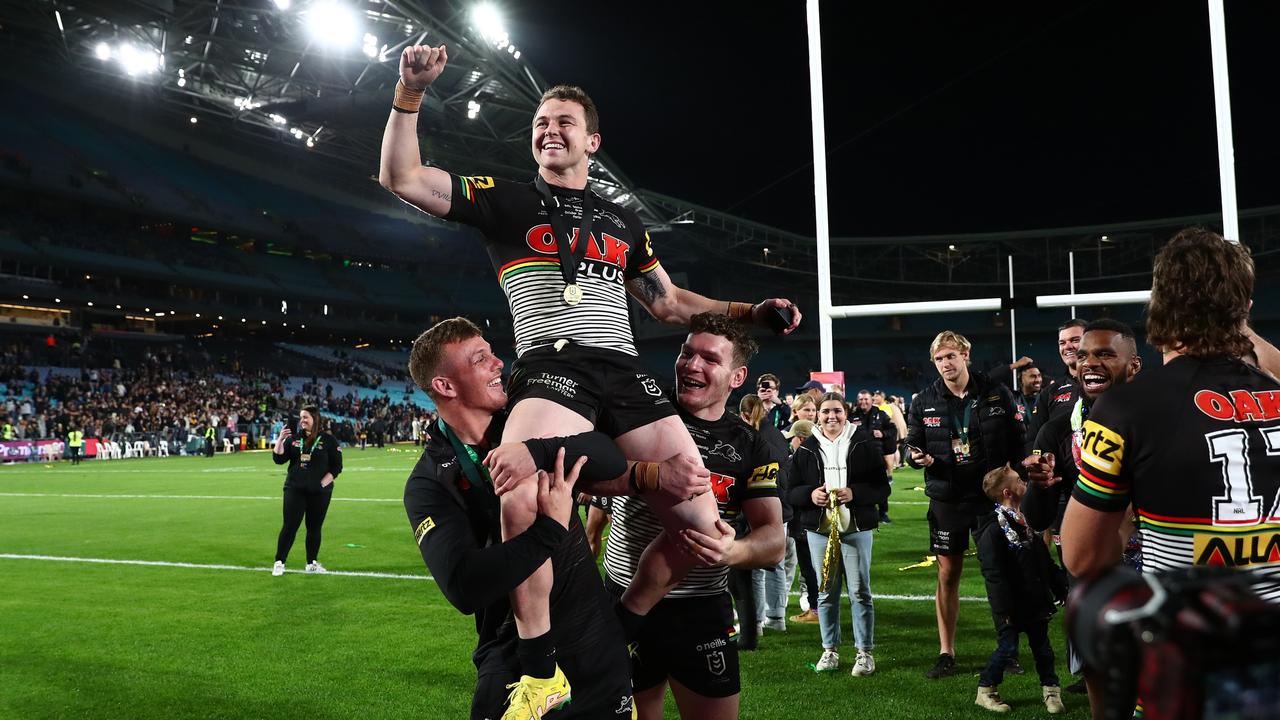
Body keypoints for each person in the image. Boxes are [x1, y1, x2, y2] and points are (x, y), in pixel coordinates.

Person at [380, 45, 800, 712]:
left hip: (626, 372)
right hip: (552, 366)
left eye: (564, 121)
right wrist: (409, 94)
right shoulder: (505, 200)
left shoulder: (625, 223)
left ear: (592, 140)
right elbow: (403, 177)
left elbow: (665, 303)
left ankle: (623, 623)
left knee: (701, 524)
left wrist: (749, 310)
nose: (549, 130)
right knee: (517, 482)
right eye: (541, 122)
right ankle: (540, 669)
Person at [1060, 229, 1280, 715]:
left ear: (1159, 304)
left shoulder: (1125, 409)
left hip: (1189, 651)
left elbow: (1082, 556)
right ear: (1243, 306)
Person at [404, 317, 666, 720]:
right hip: (516, 660)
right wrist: (549, 531)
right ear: (445, 386)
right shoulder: (430, 482)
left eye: (493, 353)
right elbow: (465, 586)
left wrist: (537, 451)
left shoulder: (529, 419)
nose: (498, 364)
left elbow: (608, 456)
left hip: (595, 645)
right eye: (480, 359)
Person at [603, 312, 784, 719]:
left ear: (737, 378)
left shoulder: (752, 446)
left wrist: (731, 552)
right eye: (687, 353)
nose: (692, 365)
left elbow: (773, 538)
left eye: (709, 359)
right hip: (625, 595)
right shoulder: (641, 413)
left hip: (701, 610)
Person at [907, 331, 1025, 679]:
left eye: (951, 356)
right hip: (948, 498)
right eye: (940, 359)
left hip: (991, 499)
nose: (946, 364)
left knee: (1000, 573)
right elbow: (912, 442)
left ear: (966, 355)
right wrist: (917, 457)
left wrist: (1017, 484)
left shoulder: (996, 392)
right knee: (947, 573)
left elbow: (1020, 440)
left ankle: (1008, 649)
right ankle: (947, 652)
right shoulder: (923, 399)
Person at [789, 392, 890, 677]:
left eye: (837, 411)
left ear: (846, 413)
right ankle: (829, 650)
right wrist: (811, 495)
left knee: (860, 592)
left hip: (856, 529)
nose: (831, 417)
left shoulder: (864, 443)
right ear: (817, 416)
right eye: (825, 412)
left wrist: (854, 493)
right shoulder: (806, 448)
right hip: (820, 531)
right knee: (825, 594)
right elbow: (790, 491)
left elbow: (882, 488)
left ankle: (864, 653)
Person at [973, 464, 1066, 714]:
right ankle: (986, 689)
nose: (1023, 481)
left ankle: (1051, 691)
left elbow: (1044, 562)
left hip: (1035, 600)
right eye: (1018, 480)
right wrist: (1003, 609)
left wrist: (1062, 588)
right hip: (1011, 606)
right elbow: (994, 575)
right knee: (1007, 649)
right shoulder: (993, 531)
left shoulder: (1027, 523)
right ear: (1007, 492)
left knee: (1043, 650)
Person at [271, 406, 342, 576]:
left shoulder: (329, 440)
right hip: (294, 490)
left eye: (306, 417)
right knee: (290, 526)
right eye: (301, 417)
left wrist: (322, 485)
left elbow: (337, 467)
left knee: (314, 528)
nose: (302, 420)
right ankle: (279, 562)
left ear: (315, 419)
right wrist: (280, 440)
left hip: (319, 493)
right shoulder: (294, 439)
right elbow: (278, 459)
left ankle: (311, 563)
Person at [1025, 320, 1086, 448]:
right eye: (1062, 343)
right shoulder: (1049, 392)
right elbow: (1033, 440)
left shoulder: (1107, 386)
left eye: (1075, 340)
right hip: (1059, 467)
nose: (1067, 347)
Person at [783, 419, 820, 623]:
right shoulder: (818, 457)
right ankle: (818, 609)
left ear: (802, 438)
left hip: (803, 521)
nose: (791, 442)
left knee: (809, 568)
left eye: (794, 438)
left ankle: (816, 610)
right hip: (814, 521)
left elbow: (790, 490)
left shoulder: (798, 460)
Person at [851, 390, 898, 524]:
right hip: (857, 458)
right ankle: (860, 513)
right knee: (858, 486)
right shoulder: (852, 416)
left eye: (866, 399)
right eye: (861, 399)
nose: (863, 402)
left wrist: (882, 433)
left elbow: (893, 430)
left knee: (880, 486)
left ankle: (883, 513)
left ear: (872, 400)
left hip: (876, 457)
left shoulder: (881, 415)